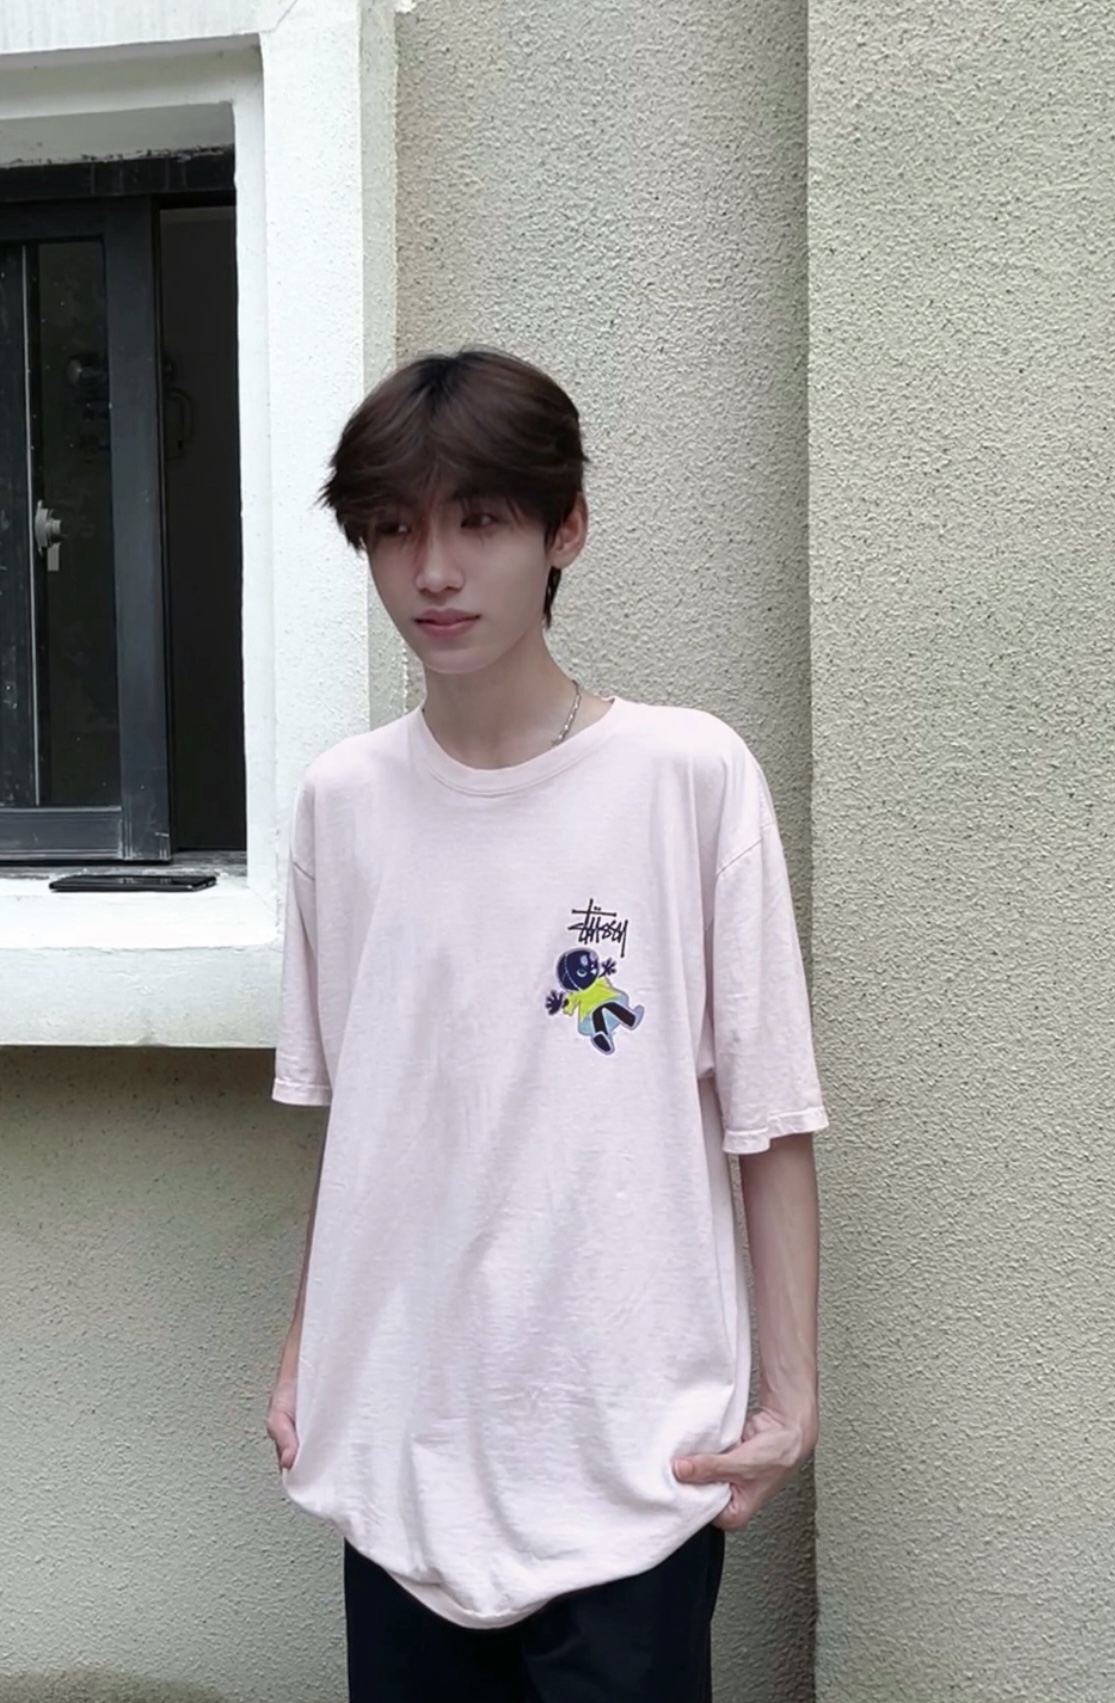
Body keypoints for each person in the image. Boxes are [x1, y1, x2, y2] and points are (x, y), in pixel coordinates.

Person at [266, 348, 825, 1703]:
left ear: (564, 529)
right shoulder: (343, 804)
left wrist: (790, 1398)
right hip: (398, 1452)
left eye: (479, 521)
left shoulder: (686, 776)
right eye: (392, 530)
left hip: (629, 1454)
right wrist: (302, 1357)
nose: (433, 571)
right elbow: (366, 1126)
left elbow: (767, 1115)